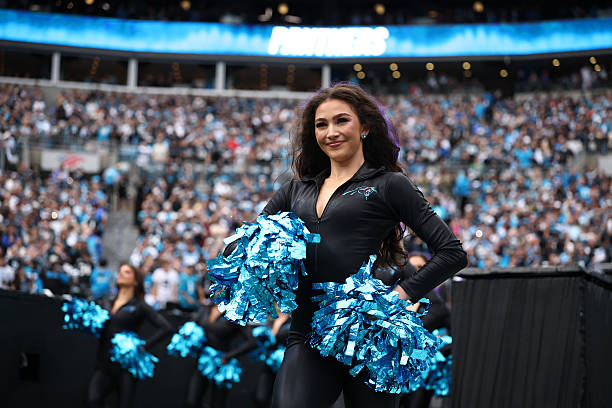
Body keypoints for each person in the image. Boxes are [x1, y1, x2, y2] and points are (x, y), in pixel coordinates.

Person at [255, 83, 467, 408]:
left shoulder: (389, 184)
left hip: (370, 336)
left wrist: (396, 298)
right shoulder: (294, 191)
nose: (331, 132)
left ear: (365, 127)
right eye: (321, 124)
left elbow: (452, 253)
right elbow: (245, 247)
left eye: (342, 120)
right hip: (307, 333)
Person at [87, 263, 172, 408]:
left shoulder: (140, 305)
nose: (120, 274)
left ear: (135, 280)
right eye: (120, 271)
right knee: (93, 400)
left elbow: (166, 328)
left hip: (126, 368)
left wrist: (144, 346)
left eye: (126, 272)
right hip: (103, 364)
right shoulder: (106, 301)